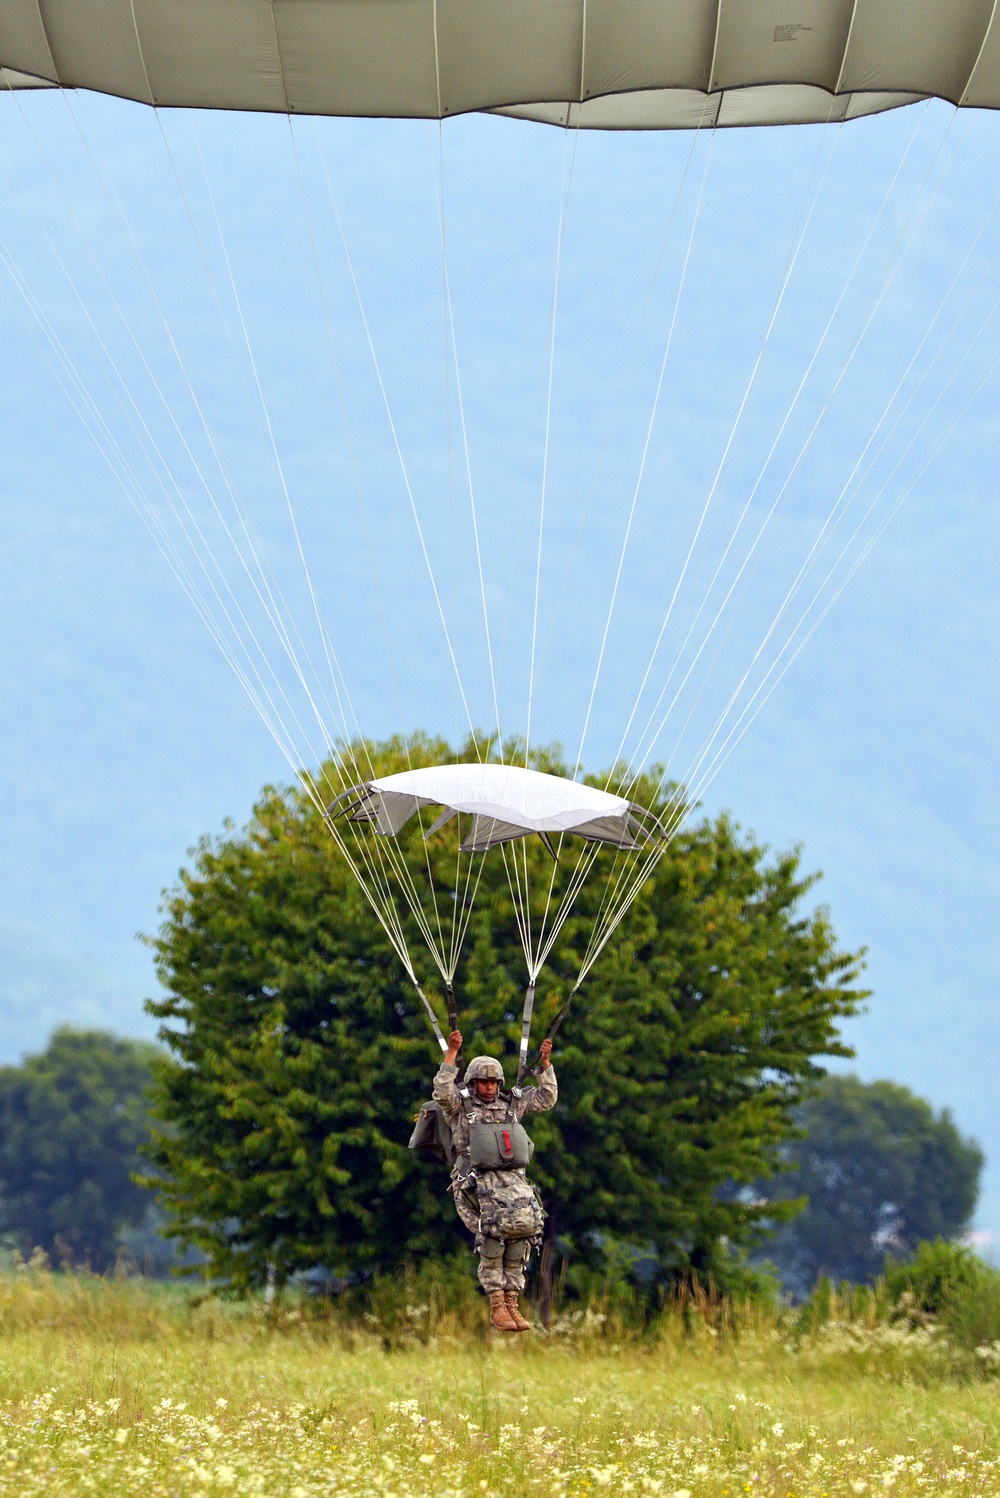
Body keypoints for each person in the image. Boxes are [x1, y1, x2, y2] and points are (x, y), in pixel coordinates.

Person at [433, 1030, 556, 1331]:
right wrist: (451, 1053)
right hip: (475, 1186)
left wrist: (545, 1066)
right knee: (492, 1235)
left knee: (521, 1234)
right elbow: (441, 1091)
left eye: (493, 1082)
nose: (488, 1087)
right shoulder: (460, 1107)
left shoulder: (511, 1104)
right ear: (473, 1083)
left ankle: (512, 1302)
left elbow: (546, 1098)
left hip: (513, 1187)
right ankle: (497, 1304)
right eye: (483, 1082)